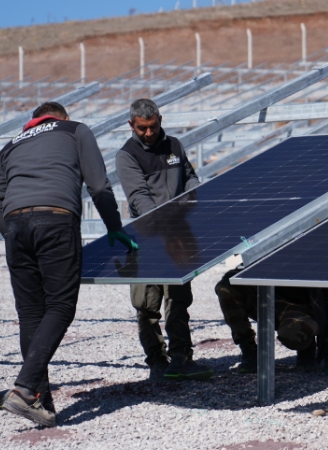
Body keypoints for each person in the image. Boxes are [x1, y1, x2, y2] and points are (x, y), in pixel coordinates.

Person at [0, 101, 136, 427]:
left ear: (35, 120)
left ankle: (41, 404)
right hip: (55, 220)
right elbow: (97, 185)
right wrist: (114, 226)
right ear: (62, 118)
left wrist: (10, 232)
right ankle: (25, 389)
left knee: (30, 313)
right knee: (60, 306)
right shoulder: (75, 129)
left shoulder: (12, 144)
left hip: (15, 225)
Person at [115, 98, 212, 381]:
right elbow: (139, 198)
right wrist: (165, 224)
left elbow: (190, 177)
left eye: (153, 127)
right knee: (147, 304)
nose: (148, 133)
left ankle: (182, 357)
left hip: (180, 233)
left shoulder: (175, 146)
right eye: (142, 128)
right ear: (131, 125)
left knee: (179, 298)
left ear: (160, 119)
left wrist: (196, 197)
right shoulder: (127, 155)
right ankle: (157, 362)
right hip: (147, 237)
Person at [215, 270, 328, 375]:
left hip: (301, 308)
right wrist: (232, 277)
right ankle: (249, 350)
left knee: (292, 333)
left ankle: (306, 347)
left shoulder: (322, 247)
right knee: (226, 289)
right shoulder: (271, 237)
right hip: (268, 296)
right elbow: (251, 262)